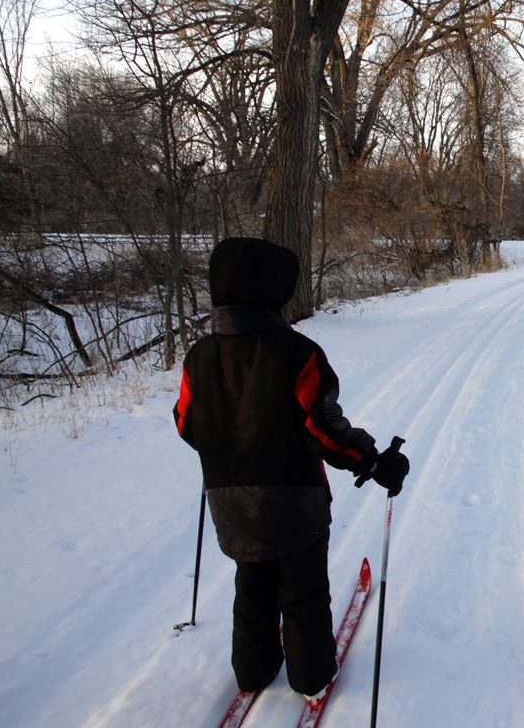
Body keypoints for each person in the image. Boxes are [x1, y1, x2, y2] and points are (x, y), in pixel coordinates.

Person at [173, 237, 409, 701]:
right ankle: (311, 676)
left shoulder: (199, 356)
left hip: (231, 504)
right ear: (274, 290)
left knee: (252, 587)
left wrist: (225, 444)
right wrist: (375, 460)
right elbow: (321, 428)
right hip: (295, 504)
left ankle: (253, 671)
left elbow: (186, 422)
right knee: (302, 595)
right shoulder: (297, 353)